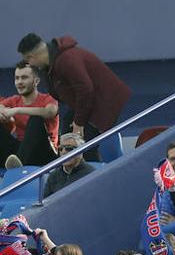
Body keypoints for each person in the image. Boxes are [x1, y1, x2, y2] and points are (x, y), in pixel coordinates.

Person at [17, 32, 130, 161]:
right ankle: (70, 167)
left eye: (29, 60)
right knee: (67, 133)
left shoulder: (67, 60)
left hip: (102, 102)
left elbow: (86, 90)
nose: (30, 64)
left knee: (82, 141)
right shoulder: (50, 66)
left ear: (34, 55)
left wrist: (79, 123)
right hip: (87, 102)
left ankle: (89, 172)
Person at [0, 61, 58, 169]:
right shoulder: (14, 100)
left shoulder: (48, 99)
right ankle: (15, 163)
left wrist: (17, 110)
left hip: (45, 153)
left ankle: (18, 165)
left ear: (36, 81)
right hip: (21, 150)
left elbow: (49, 112)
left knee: (36, 119)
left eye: (24, 78)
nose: (19, 82)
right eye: (17, 78)